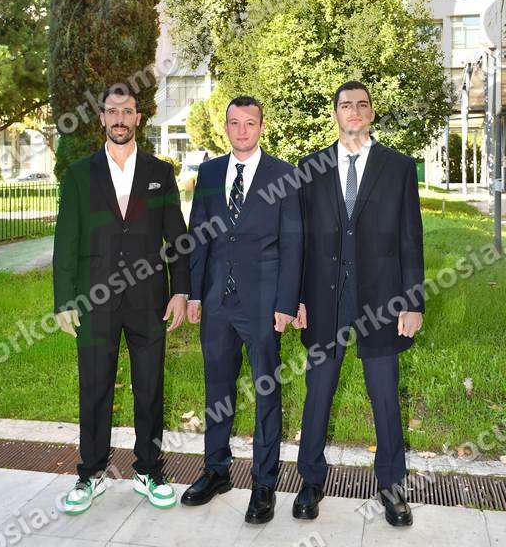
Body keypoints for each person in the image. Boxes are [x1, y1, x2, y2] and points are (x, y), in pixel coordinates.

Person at [293, 80, 424, 527]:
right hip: (322, 300)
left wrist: (413, 302)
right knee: (318, 393)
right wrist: (297, 299)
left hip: (382, 300)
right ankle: (310, 481)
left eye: (361, 104)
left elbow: (410, 239)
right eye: (345, 105)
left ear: (371, 113)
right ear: (335, 113)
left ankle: (392, 487)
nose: (353, 111)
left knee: (385, 396)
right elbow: (299, 240)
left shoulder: (398, 167)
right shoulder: (310, 168)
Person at [53, 85, 190, 514]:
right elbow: (66, 240)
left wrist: (180, 291)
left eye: (127, 111)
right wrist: (64, 300)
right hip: (94, 301)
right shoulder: (79, 174)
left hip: (149, 300)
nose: (119, 119)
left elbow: (178, 239)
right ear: (101, 118)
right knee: (95, 388)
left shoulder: (160, 172)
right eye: (112, 111)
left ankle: (148, 470)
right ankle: (91, 473)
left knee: (150, 387)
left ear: (138, 118)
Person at [181, 95, 303, 525]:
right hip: (217, 302)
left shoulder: (283, 174)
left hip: (264, 304)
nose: (242, 131)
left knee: (266, 392)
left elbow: (294, 244)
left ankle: (264, 483)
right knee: (217, 389)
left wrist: (286, 303)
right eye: (234, 123)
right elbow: (198, 236)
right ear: (226, 127)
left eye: (250, 123)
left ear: (262, 127)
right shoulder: (210, 173)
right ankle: (216, 470)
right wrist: (194, 295)